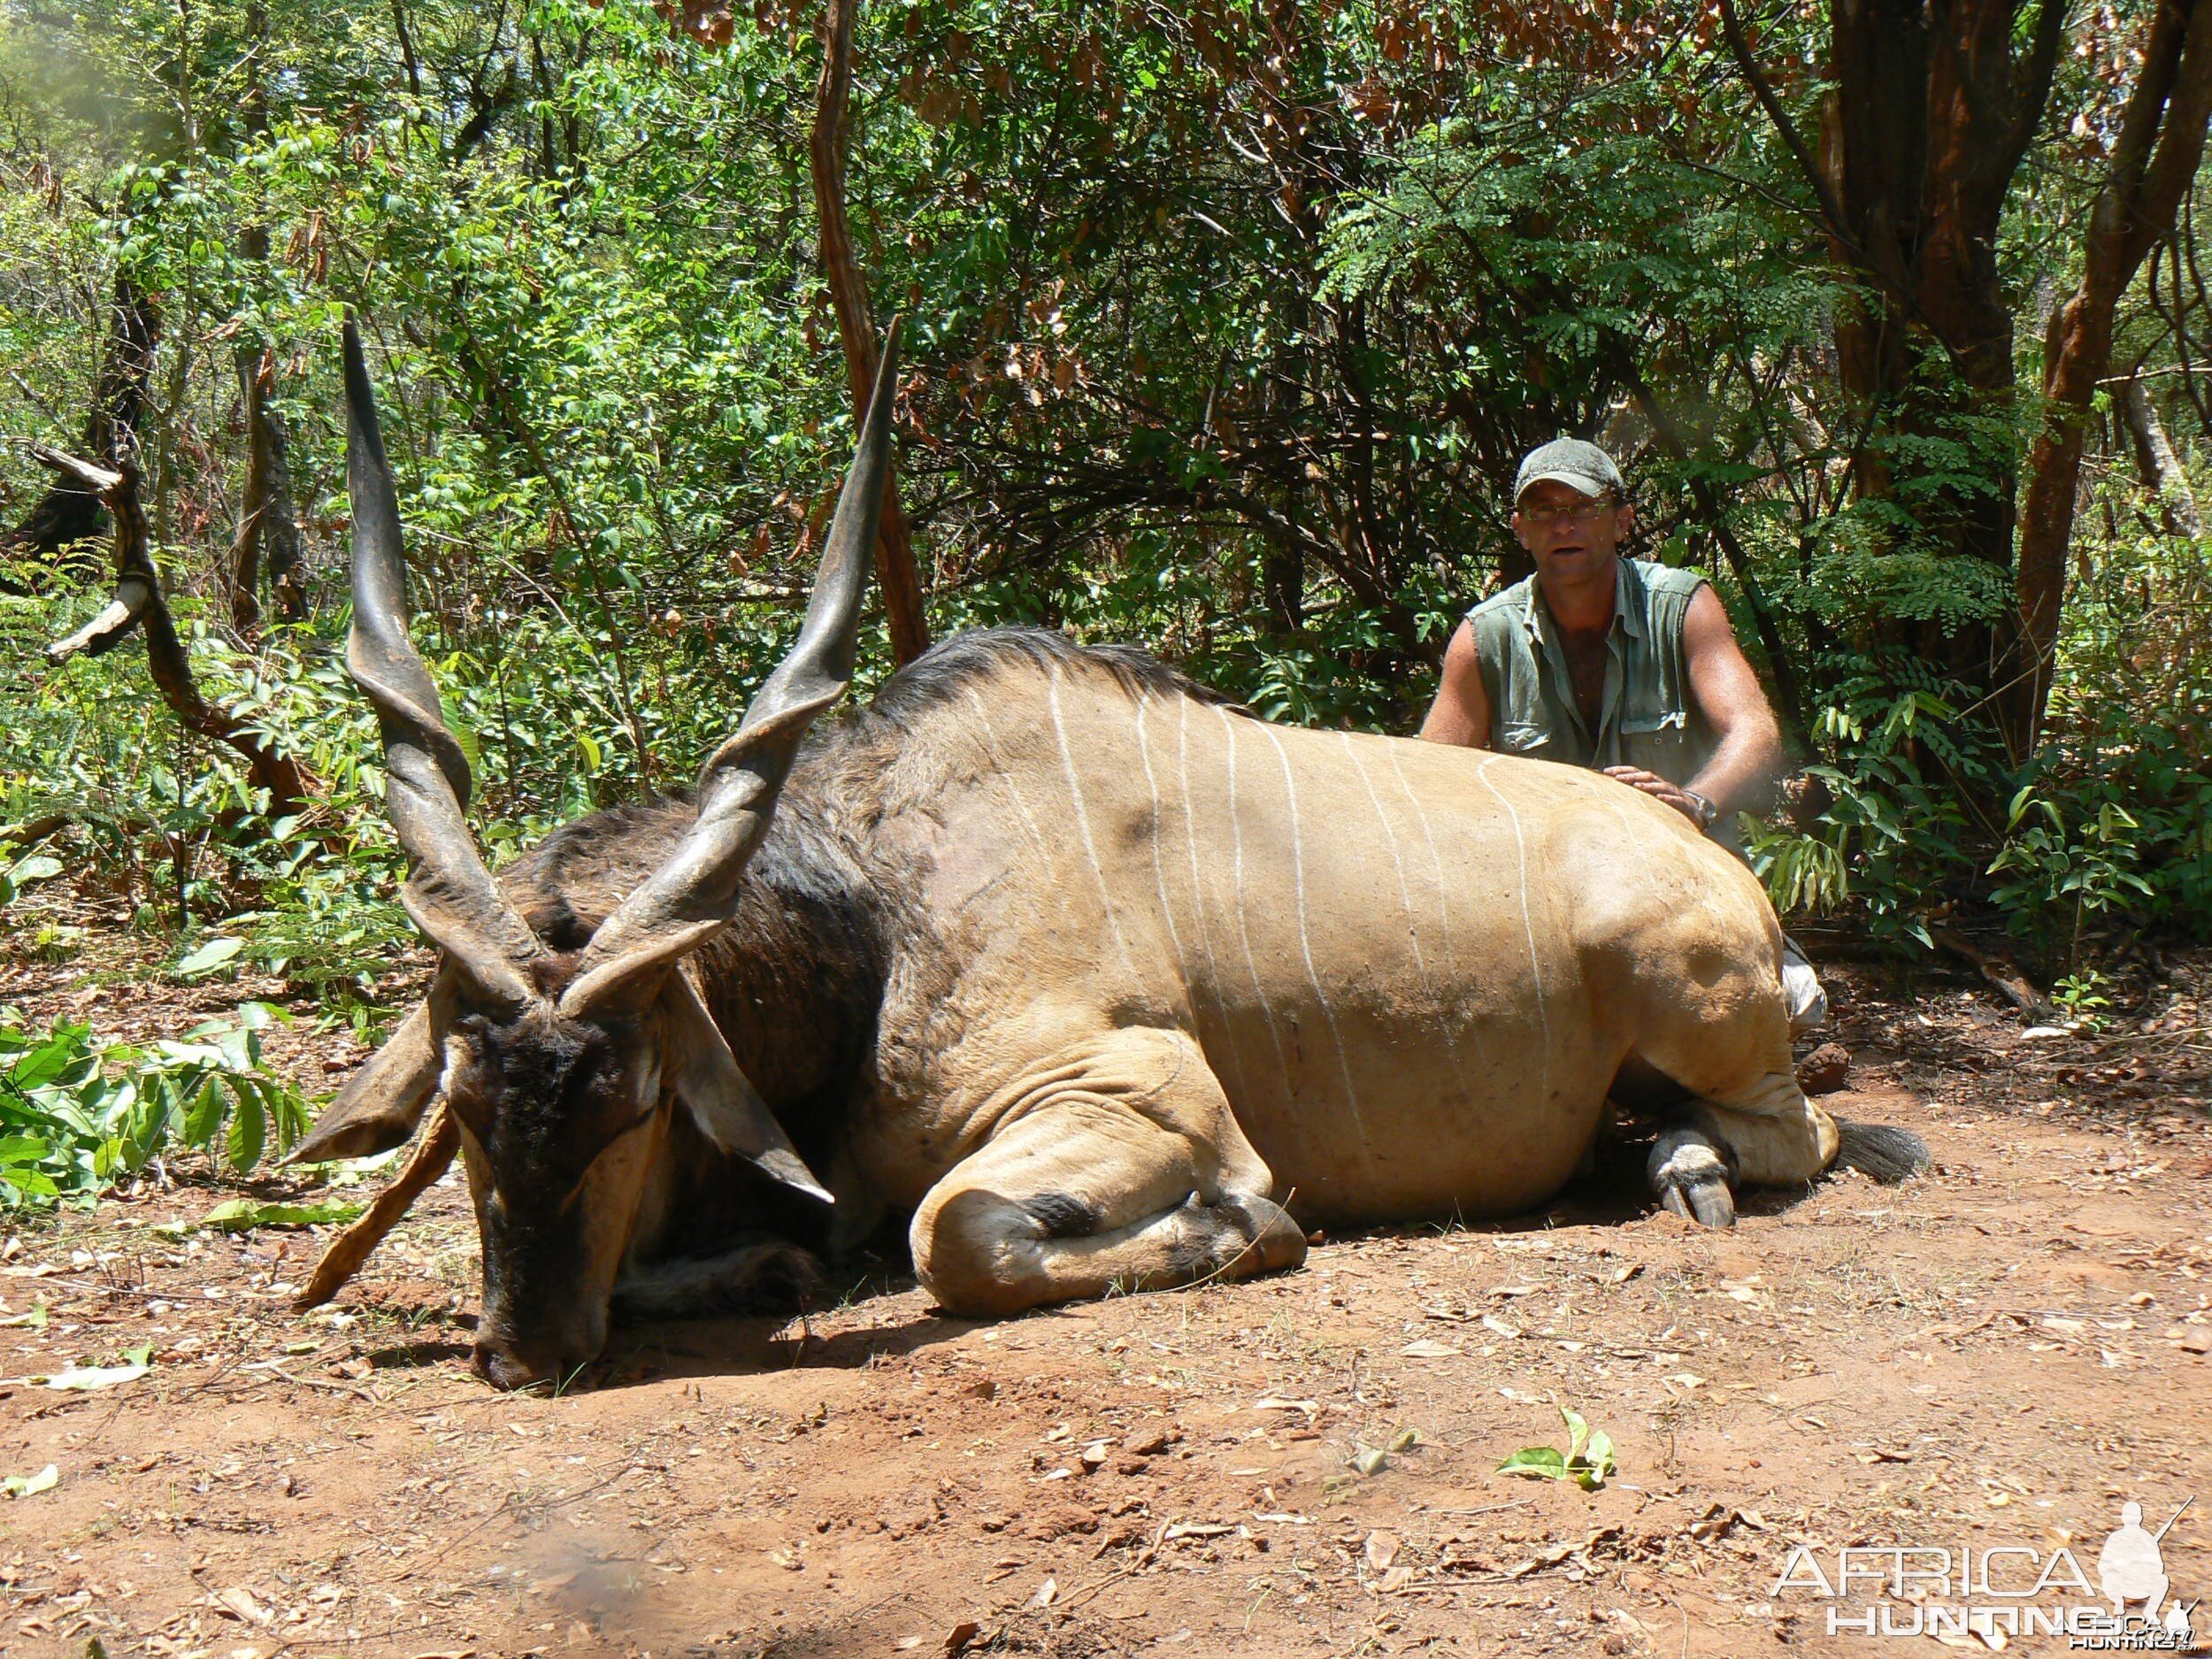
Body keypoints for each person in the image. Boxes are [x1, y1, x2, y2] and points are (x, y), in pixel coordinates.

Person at [1419, 437, 1827, 1034]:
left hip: (1684, 889)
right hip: (1546, 910)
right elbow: (1426, 779)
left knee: (1795, 1007)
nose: (1564, 526)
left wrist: (1694, 802)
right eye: (1543, 511)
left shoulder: (1682, 605)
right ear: (1520, 530)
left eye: (1582, 508)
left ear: (1621, 519)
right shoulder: (1485, 638)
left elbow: (1755, 729)